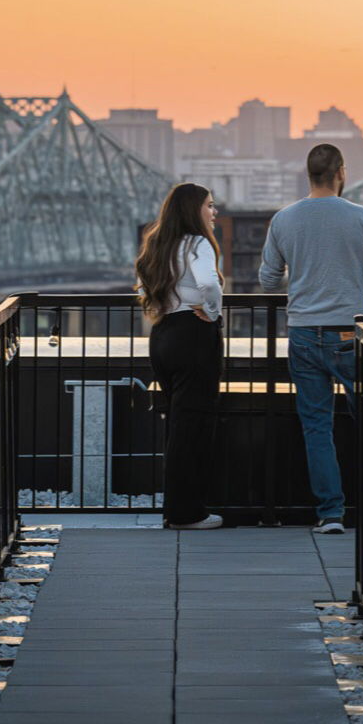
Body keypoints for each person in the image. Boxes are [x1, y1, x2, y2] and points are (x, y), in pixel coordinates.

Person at [258, 143, 363, 532]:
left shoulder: (284, 219)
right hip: (348, 332)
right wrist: (358, 279)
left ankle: (330, 513)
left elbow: (268, 281)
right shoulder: (361, 216)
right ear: (341, 172)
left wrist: (303, 276)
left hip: (302, 331)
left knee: (317, 427)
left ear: (309, 174)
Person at [135, 182, 225, 530]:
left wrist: (168, 305)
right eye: (209, 206)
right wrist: (214, 313)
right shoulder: (198, 243)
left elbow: (144, 288)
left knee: (177, 424)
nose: (213, 212)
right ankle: (187, 513)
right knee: (193, 426)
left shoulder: (158, 243)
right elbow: (209, 284)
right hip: (193, 336)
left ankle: (176, 508)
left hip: (163, 336)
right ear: (193, 210)